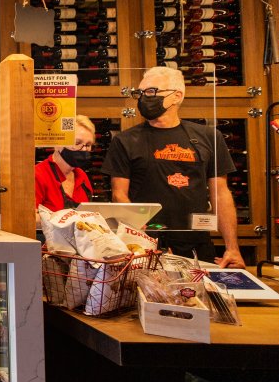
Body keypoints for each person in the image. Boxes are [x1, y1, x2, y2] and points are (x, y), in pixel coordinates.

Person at [102, 66, 244, 268]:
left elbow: (220, 193)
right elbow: (119, 196)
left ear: (177, 96)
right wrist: (140, 238)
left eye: (151, 91)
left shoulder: (209, 137)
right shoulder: (125, 141)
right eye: (140, 93)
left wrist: (232, 248)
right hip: (146, 247)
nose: (144, 98)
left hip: (196, 243)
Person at [35, 114, 96, 211]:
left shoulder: (82, 176)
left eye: (88, 145)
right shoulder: (38, 175)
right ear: (58, 144)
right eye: (77, 143)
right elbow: (29, 218)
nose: (84, 149)